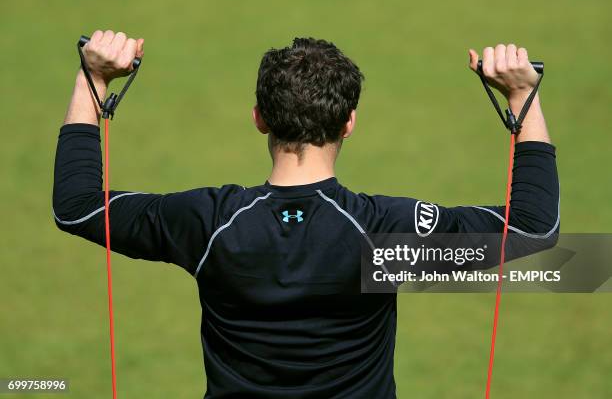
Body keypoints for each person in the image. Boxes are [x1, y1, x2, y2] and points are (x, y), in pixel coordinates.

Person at [53, 30, 559, 398]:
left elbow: (77, 208)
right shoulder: (382, 235)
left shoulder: (208, 223)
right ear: (349, 123)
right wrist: (522, 95)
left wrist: (92, 80)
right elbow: (534, 226)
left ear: (259, 119)